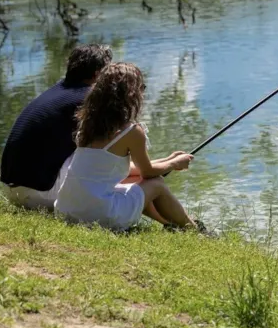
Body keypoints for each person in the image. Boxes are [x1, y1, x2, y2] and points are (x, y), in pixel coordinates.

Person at [54, 62, 201, 232]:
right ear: (131, 94)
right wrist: (175, 163)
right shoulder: (131, 131)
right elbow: (147, 172)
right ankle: (193, 229)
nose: (143, 92)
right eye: (142, 87)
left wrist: (169, 159)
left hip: (67, 211)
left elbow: (125, 168)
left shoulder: (88, 125)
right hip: (98, 216)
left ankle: (171, 225)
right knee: (157, 184)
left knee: (136, 181)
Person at [0, 43, 113, 210]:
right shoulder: (87, 99)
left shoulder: (57, 91)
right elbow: (107, 153)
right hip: (39, 194)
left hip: (13, 190)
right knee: (103, 156)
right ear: (98, 74)